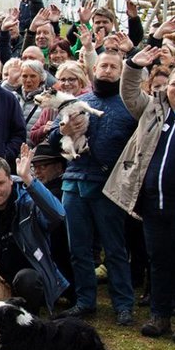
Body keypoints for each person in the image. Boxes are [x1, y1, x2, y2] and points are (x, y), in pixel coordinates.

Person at [104, 40, 175, 342]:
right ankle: (160, 315)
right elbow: (129, 93)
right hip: (153, 205)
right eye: (174, 83)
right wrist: (132, 66)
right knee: (159, 262)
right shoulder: (152, 110)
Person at [58, 45, 140, 325]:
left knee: (115, 249)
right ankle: (85, 302)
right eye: (103, 65)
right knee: (78, 249)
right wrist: (63, 130)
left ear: (121, 72)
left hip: (109, 186)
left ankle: (123, 304)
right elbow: (53, 139)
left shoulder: (130, 106)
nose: (107, 70)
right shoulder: (78, 101)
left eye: (113, 67)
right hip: (74, 181)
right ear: (94, 69)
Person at [0, 148, 67, 328]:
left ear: (11, 180)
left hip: (27, 277)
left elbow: (58, 215)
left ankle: (29, 324)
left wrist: (29, 180)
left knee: (27, 279)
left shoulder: (29, 203)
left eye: (0, 183)